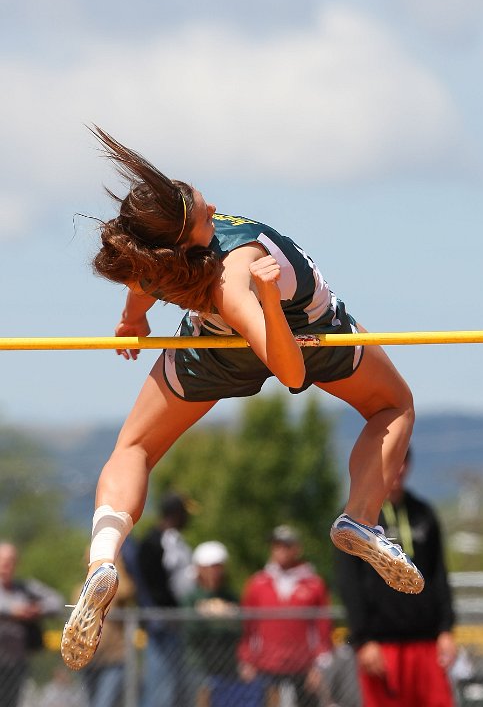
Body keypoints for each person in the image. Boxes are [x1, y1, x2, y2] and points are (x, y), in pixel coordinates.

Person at [61, 126, 422, 673]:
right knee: (393, 406)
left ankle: (102, 558)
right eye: (206, 211)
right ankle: (360, 517)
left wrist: (133, 321)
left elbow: (141, 284)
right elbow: (291, 372)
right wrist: (270, 300)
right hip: (304, 336)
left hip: (214, 349)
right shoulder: (234, 275)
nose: (214, 206)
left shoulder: (157, 257)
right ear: (189, 234)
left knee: (133, 448)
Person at [335, 448, 457, 707]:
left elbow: (439, 574)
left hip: (426, 641)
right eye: (392, 462)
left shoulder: (424, 513)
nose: (398, 469)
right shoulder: (358, 521)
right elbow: (349, 584)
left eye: (402, 462)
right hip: (381, 643)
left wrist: (446, 629)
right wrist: (363, 639)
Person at [238, 525, 333, 707]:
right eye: (276, 545)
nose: (280, 550)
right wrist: (246, 660)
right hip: (266, 666)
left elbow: (323, 628)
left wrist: (319, 666)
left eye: (286, 545)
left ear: (297, 548)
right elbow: (249, 627)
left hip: (303, 667)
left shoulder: (313, 584)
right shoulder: (257, 583)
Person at [136, 492, 194, 707]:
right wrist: (166, 609)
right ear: (175, 514)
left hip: (174, 620)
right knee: (161, 684)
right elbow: (150, 584)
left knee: (175, 683)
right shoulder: (154, 541)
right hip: (162, 621)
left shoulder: (173, 540)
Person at [0, 542, 63, 707]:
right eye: (3, 560)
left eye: (10, 560)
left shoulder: (24, 588)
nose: (6, 565)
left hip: (15, 661)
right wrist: (14, 612)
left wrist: (37, 610)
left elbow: (57, 601)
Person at [72, 550, 136, 707]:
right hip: (88, 659)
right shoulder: (79, 589)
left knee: (104, 703)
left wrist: (115, 565)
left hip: (114, 659)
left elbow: (129, 591)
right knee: (91, 702)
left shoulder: (116, 588)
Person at [182, 541, 242, 706]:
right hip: (199, 664)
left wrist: (224, 616)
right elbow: (191, 631)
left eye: (218, 567)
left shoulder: (230, 596)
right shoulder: (192, 598)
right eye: (210, 567)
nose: (215, 572)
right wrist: (209, 616)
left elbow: (239, 630)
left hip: (227, 666)